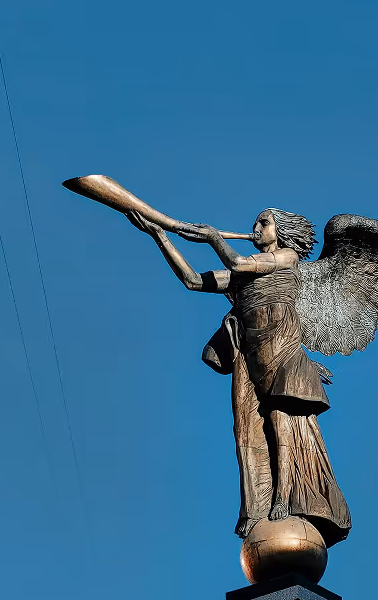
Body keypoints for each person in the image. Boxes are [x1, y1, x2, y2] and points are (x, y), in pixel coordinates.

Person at [127, 207, 351, 547]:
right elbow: (193, 280)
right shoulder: (243, 275)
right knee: (247, 430)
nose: (256, 228)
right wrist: (160, 236)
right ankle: (260, 502)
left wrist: (214, 238)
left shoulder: (287, 258)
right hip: (251, 357)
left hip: (284, 351)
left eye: (264, 223)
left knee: (280, 421)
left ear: (282, 231)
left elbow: (239, 263)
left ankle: (285, 497)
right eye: (256, 223)